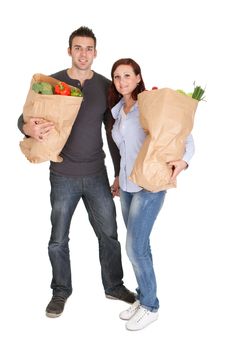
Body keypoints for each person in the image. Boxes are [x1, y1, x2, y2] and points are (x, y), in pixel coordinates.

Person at [18, 27, 136, 318]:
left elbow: (114, 133)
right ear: (69, 50)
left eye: (89, 48)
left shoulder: (107, 87)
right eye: (78, 48)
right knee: (58, 238)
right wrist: (25, 127)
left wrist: (119, 172)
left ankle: (114, 285)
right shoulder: (53, 81)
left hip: (96, 172)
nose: (83, 53)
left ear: (96, 52)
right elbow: (25, 115)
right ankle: (60, 291)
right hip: (62, 174)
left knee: (109, 234)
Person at [108, 58, 195, 331]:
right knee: (139, 246)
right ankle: (144, 296)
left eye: (127, 76)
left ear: (138, 78)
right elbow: (124, 152)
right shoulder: (119, 110)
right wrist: (118, 179)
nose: (122, 81)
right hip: (127, 185)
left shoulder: (151, 104)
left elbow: (183, 135)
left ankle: (150, 306)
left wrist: (184, 160)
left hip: (150, 185)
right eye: (117, 77)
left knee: (134, 246)